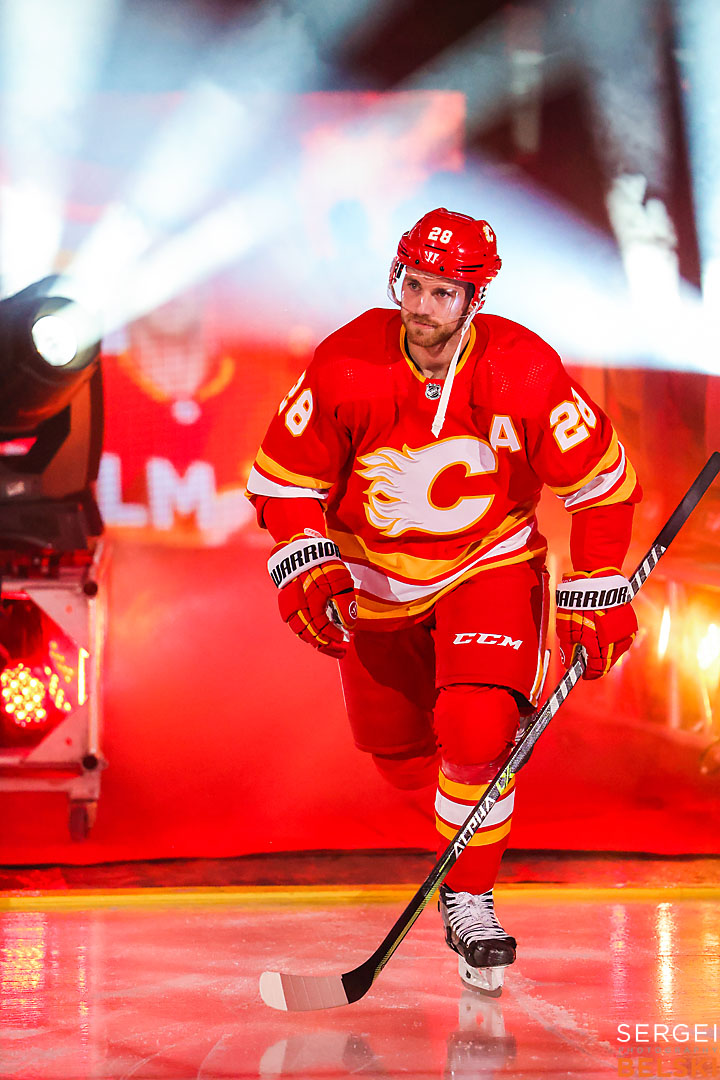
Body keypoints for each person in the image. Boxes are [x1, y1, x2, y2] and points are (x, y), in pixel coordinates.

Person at [246, 208, 641, 993]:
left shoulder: (523, 371)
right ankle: (465, 802)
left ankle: (470, 900)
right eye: (413, 286)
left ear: (476, 298)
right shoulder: (348, 361)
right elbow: (282, 480)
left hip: (487, 563)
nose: (421, 307)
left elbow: (601, 482)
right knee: (400, 766)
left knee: (475, 727)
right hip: (377, 584)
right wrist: (302, 553)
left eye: (441, 293)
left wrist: (597, 586)